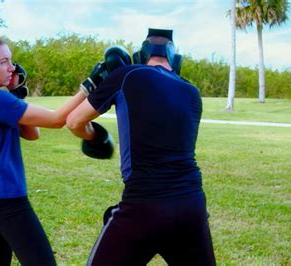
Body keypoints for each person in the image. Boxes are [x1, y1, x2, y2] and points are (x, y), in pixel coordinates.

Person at [66, 28, 216, 265]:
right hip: (191, 206)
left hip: (143, 206)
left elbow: (73, 121)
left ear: (139, 55)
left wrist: (95, 137)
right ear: (176, 59)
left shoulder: (127, 75)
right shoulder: (192, 92)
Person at [0, 36, 87, 265]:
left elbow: (32, 134)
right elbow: (55, 120)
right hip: (6, 200)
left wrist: (16, 93)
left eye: (11, 61)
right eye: (3, 61)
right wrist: (90, 86)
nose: (11, 68)